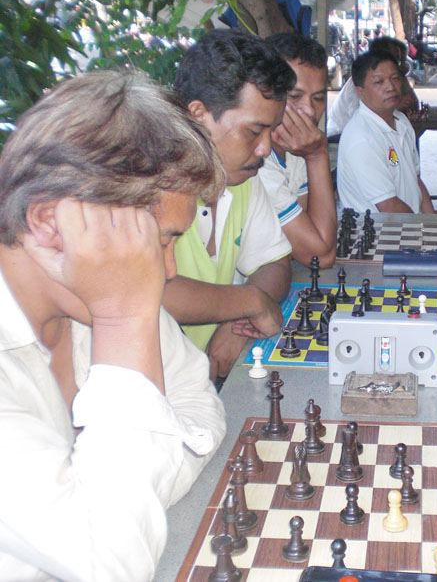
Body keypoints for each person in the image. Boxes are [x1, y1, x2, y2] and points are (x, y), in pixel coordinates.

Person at [0, 70, 226, 580]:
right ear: (50, 222)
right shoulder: (117, 302)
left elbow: (201, 405)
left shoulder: (100, 294)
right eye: (159, 241)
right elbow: (115, 564)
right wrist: (123, 321)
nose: (168, 270)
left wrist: (128, 499)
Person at [164, 29, 295, 383]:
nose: (265, 149)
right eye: (253, 132)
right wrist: (251, 302)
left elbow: (273, 262)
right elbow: (151, 291)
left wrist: (236, 324)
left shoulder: (243, 179)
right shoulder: (146, 183)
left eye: (270, 132)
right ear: (198, 115)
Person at [259, 32, 337, 268]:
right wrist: (317, 156)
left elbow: (314, 231)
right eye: (295, 96)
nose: (310, 111)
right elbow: (320, 256)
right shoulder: (257, 161)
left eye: (318, 98)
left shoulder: (296, 148)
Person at [337, 50, 435, 214]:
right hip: (382, 229)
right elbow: (390, 207)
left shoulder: (401, 121)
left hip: (409, 225)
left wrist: (433, 224)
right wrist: (421, 228)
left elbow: (416, 180)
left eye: (395, 78)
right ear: (360, 92)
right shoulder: (361, 138)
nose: (390, 87)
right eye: (379, 82)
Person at [327, 37, 419, 138]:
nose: (398, 64)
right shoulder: (361, 80)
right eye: (395, 58)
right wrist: (395, 106)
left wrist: (401, 76)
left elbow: (413, 103)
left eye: (399, 60)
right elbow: (363, 119)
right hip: (340, 135)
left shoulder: (392, 77)